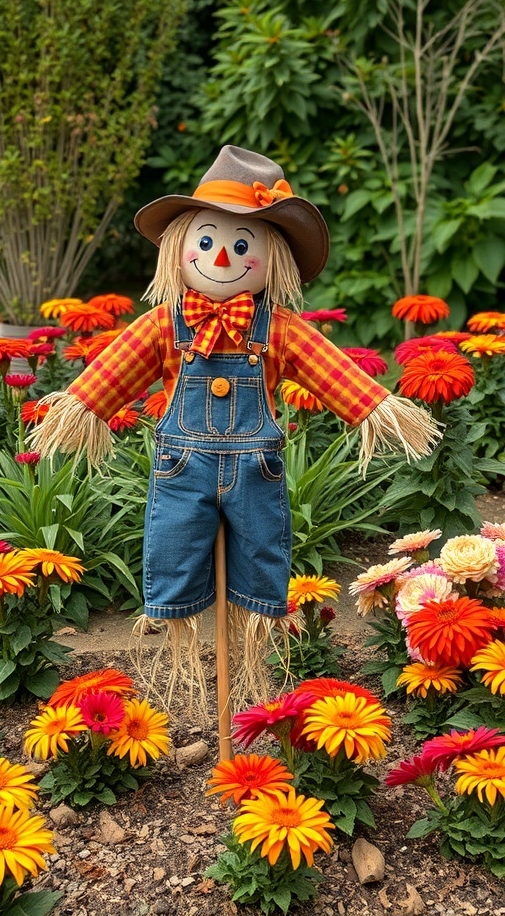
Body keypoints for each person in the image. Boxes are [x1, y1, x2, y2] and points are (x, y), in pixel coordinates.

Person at [32, 145, 440, 705]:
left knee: (260, 563)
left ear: (271, 256)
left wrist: (379, 410)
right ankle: (179, 642)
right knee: (174, 552)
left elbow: (334, 375)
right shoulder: (163, 325)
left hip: (255, 472)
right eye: (207, 242)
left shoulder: (279, 329)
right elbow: (113, 373)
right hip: (183, 469)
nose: (221, 258)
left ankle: (251, 658)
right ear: (179, 248)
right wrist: (80, 407)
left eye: (241, 246)